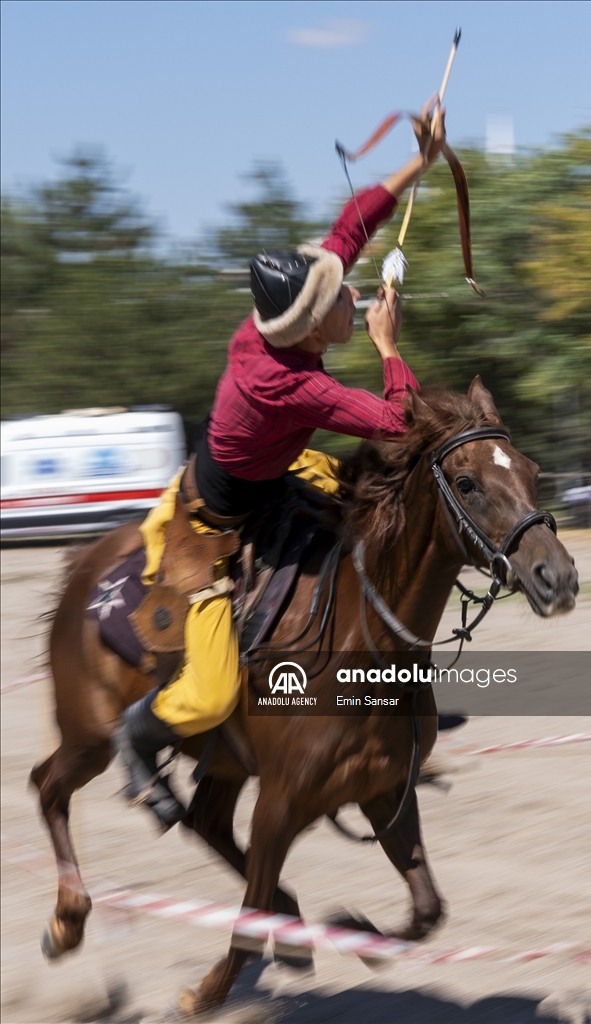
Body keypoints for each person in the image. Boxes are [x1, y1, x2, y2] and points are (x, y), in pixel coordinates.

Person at [117, 109, 446, 829]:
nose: (351, 293)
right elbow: (399, 422)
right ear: (307, 325)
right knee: (206, 694)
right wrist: (388, 347)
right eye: (340, 299)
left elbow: (350, 227)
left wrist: (417, 162)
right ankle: (139, 736)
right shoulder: (285, 383)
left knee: (377, 524)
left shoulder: (291, 326)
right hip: (212, 526)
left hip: (278, 472)